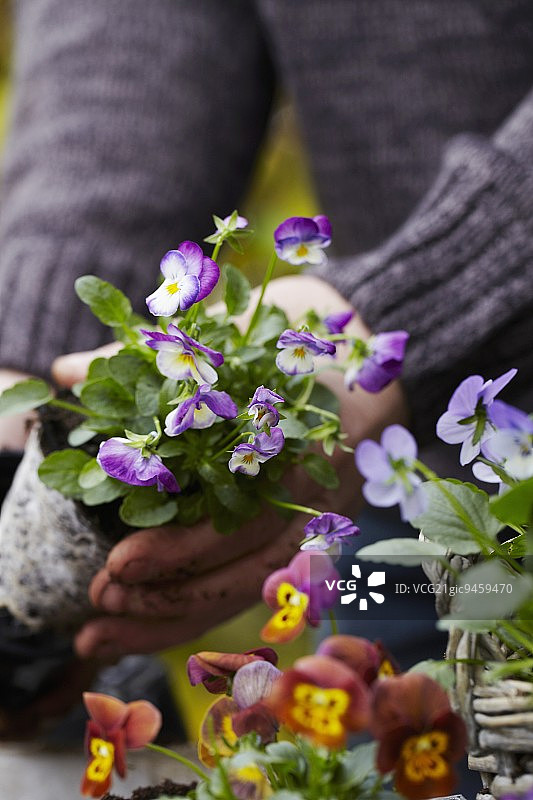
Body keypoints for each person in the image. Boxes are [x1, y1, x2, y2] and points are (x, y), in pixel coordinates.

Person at [0, 0, 532, 679]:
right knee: (404, 749)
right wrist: (33, 352)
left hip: (387, 393)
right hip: (395, 477)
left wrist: (424, 295)